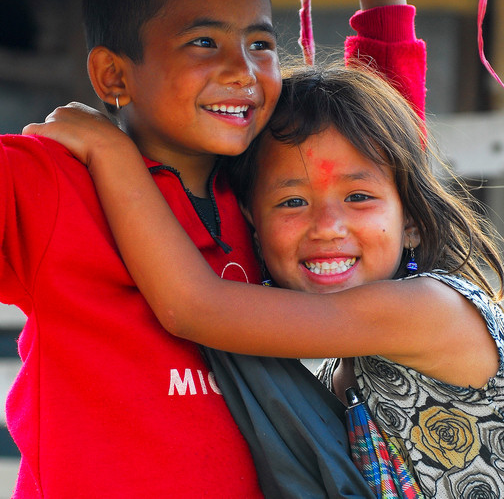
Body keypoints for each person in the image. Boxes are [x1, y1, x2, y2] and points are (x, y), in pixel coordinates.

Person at [4, 0, 425, 497]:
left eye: (260, 43)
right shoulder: (54, 180)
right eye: (204, 41)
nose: (241, 70)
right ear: (113, 76)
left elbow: (382, 149)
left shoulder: (268, 190)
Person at [28, 61, 504, 498]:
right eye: (292, 202)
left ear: (412, 222)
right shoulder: (347, 355)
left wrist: (111, 151)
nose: (327, 226)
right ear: (252, 221)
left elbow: (194, 309)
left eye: (358, 197)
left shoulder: (428, 311)